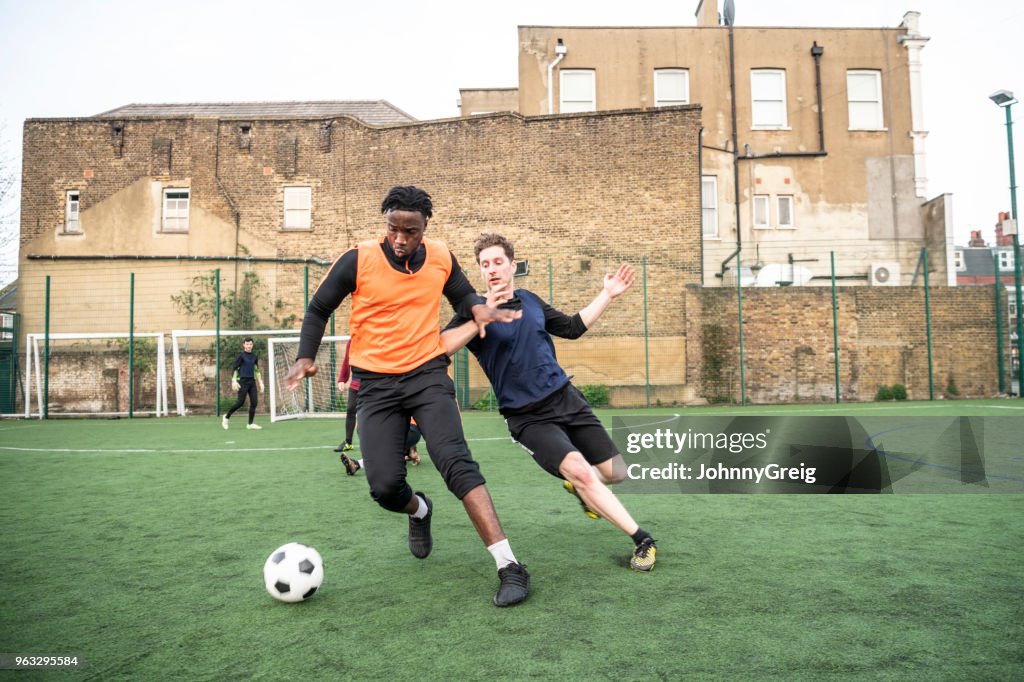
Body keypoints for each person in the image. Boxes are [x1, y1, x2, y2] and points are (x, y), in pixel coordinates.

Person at [284, 185, 530, 607]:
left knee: (456, 462)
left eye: (410, 231)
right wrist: (307, 355)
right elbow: (318, 308)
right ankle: (419, 511)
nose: (400, 239)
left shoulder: (439, 255)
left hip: (426, 373)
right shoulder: (357, 258)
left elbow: (463, 295)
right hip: (376, 385)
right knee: (384, 487)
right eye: (393, 229)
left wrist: (479, 309)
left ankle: (509, 565)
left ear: (424, 228)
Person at [441, 233, 658, 572]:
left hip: (565, 398)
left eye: (498, 262)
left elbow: (572, 328)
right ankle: (642, 539)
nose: (492, 270)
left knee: (616, 473)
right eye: (485, 265)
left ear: (513, 266)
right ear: (480, 273)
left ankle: (582, 489)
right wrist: (478, 319)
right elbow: (442, 346)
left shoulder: (530, 300)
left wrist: (607, 294)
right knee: (584, 473)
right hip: (528, 417)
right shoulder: (473, 311)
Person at [223, 337, 263, 430]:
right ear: (244, 345)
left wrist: (260, 382)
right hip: (242, 381)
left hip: (252, 382)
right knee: (240, 402)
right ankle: (226, 417)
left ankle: (250, 424)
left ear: (252, 345)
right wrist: (234, 380)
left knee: (254, 402)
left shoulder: (254, 356)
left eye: (250, 344)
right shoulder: (241, 356)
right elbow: (234, 369)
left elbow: (256, 370)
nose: (249, 346)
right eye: (247, 344)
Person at [334, 337, 360, 454]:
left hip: (372, 384)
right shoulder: (352, 341)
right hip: (356, 383)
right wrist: (342, 379)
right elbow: (347, 360)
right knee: (350, 410)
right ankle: (348, 442)